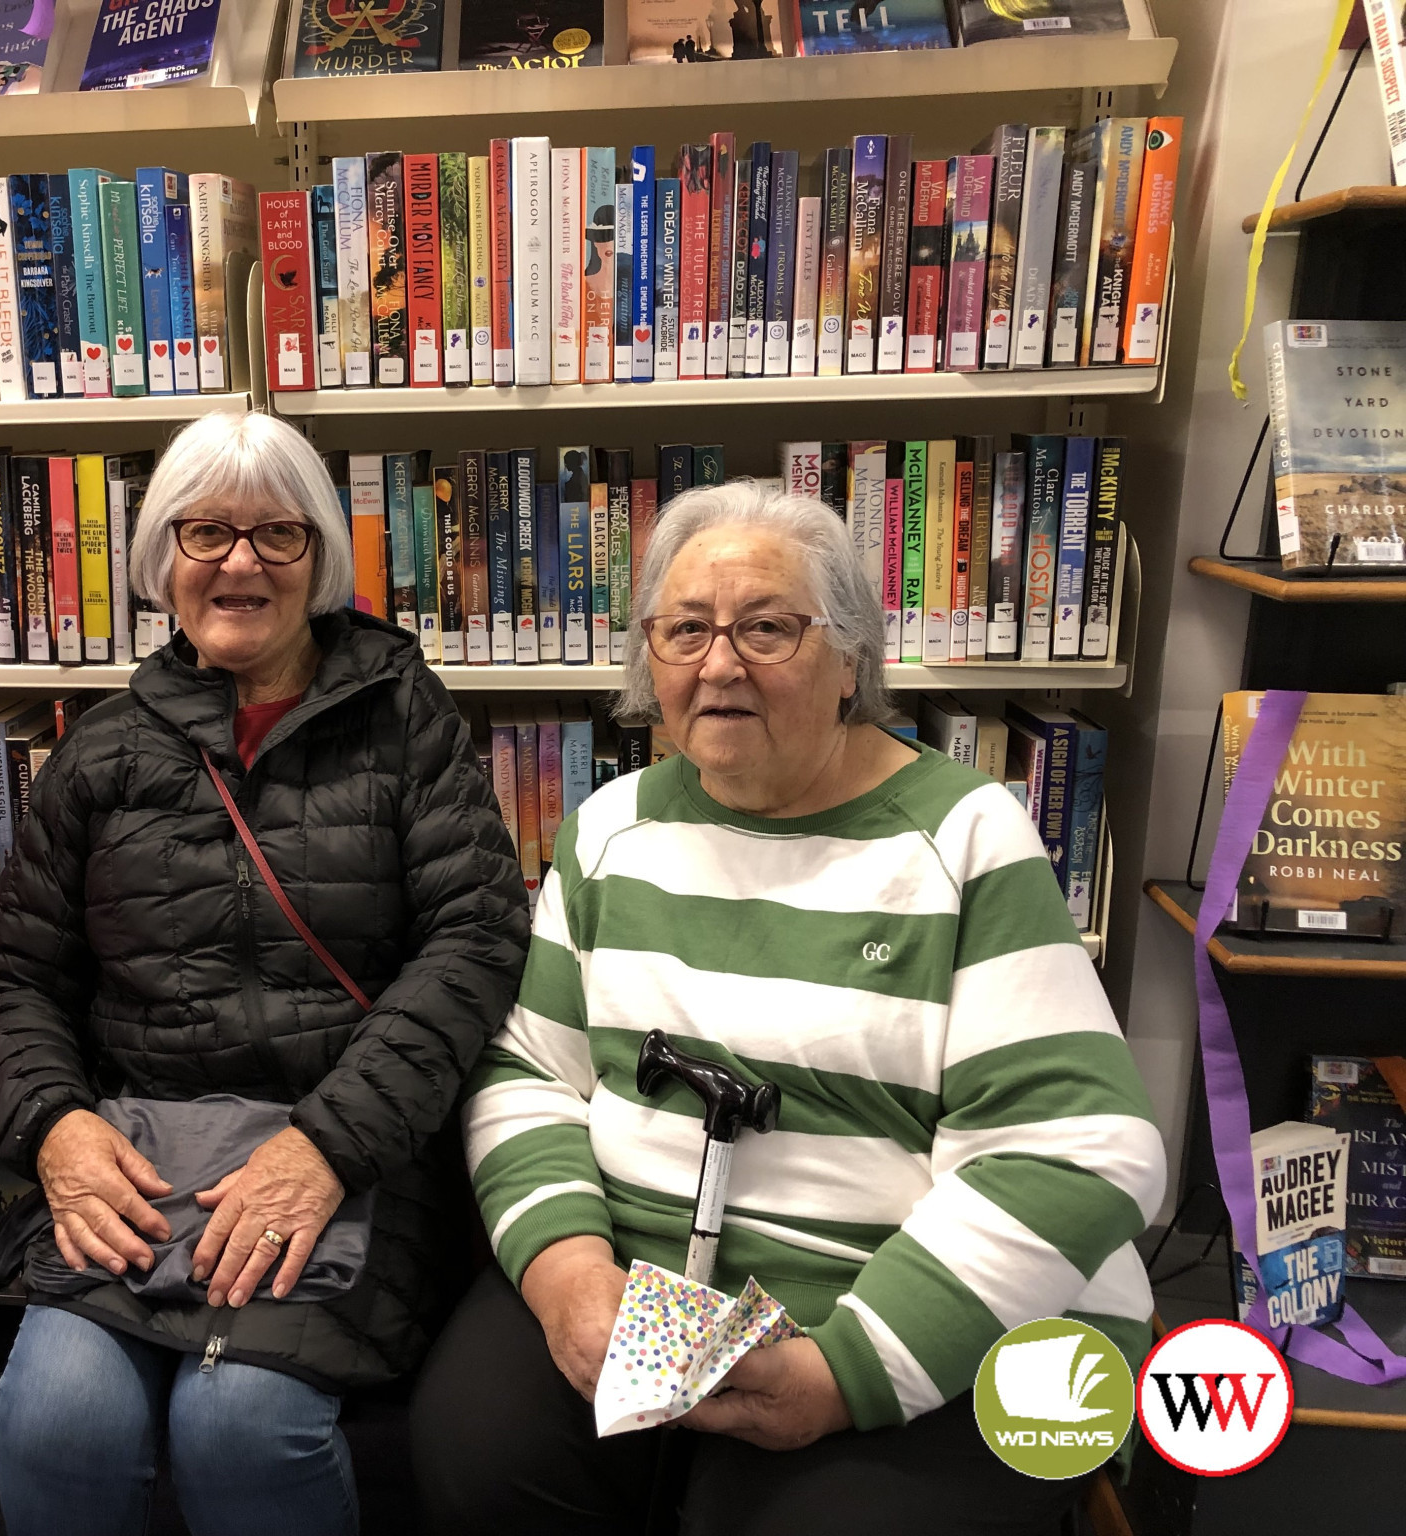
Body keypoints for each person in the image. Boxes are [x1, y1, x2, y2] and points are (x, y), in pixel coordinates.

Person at [415, 482, 1166, 1536]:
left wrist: (846, 1370)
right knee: (476, 1459)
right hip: (645, 1276)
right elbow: (530, 1076)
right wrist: (566, 1273)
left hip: (902, 1302)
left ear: (849, 657)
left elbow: (1078, 1151)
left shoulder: (963, 839)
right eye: (683, 631)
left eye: (766, 628)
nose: (718, 665)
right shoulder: (608, 829)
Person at [0, 410, 530, 1536]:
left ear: (318, 557)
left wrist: (329, 1144)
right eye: (205, 531)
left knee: (240, 1425)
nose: (238, 562)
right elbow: (11, 978)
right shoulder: (101, 750)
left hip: (349, 1156)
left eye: (277, 535)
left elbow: (474, 943)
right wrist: (56, 1134)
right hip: (134, 1160)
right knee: (52, 1422)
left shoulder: (406, 724)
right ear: (159, 559)